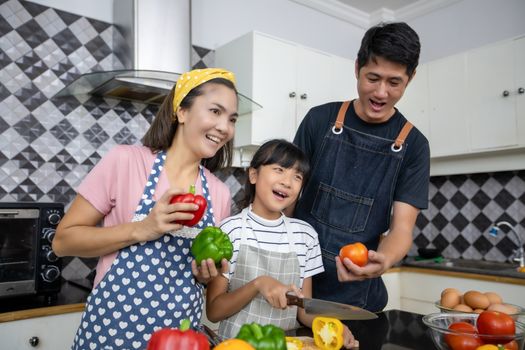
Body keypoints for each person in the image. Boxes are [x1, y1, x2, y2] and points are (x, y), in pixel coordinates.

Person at [53, 68, 239, 350]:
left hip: (179, 341)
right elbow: (63, 242)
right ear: (182, 111)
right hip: (109, 334)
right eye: (215, 111)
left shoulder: (220, 193)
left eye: (232, 119)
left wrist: (204, 275)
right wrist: (143, 228)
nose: (225, 127)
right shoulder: (125, 162)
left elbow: (211, 288)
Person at [292, 22, 430, 312]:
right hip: (296, 285)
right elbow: (286, 200)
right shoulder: (319, 120)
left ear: (411, 78)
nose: (381, 93)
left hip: (357, 298)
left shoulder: (414, 146)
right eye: (373, 78)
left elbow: (402, 229)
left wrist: (385, 260)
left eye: (394, 82)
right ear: (357, 68)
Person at [205, 139, 357, 348]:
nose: (288, 181)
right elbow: (214, 311)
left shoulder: (305, 236)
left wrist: (332, 326)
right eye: (279, 169)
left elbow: (304, 311)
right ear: (253, 174)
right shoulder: (230, 231)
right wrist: (259, 284)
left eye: (297, 176)